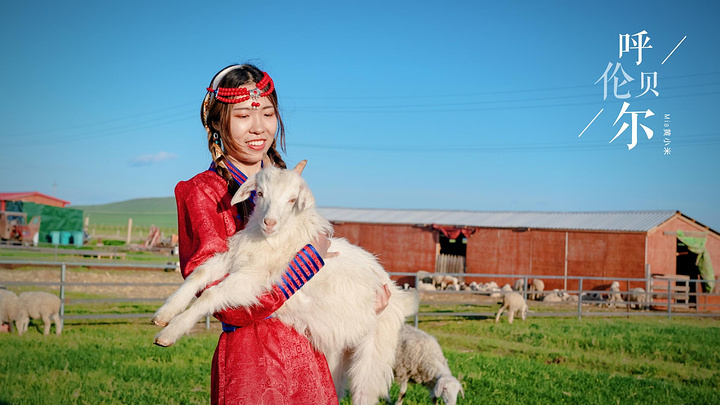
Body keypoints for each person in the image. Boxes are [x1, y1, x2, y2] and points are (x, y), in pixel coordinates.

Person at [175, 63, 390, 404]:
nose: (258, 127)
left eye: (268, 113)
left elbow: (326, 272)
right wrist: (302, 269)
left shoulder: (287, 186)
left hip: (312, 357)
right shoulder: (203, 192)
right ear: (217, 121)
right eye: (243, 115)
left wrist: (361, 301)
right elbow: (226, 305)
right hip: (254, 364)